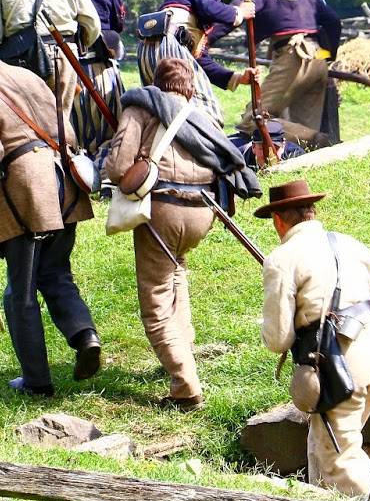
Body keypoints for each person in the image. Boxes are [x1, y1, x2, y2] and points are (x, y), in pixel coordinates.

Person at [0, 25, 101, 396]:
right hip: (64, 181)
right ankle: (86, 336)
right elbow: (67, 127)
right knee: (56, 273)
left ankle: (37, 382)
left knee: (20, 292)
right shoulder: (27, 76)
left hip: (29, 189)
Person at [104, 58, 261, 409]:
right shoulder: (203, 116)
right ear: (190, 88)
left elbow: (117, 167)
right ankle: (183, 347)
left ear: (156, 82)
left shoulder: (142, 107)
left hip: (163, 210)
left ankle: (185, 387)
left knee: (156, 301)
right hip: (203, 213)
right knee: (176, 273)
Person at [257, 180, 370, 496]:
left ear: (278, 220)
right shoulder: (350, 244)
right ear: (311, 212)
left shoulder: (282, 258)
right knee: (325, 445)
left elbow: (277, 339)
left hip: (340, 361)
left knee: (340, 462)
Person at [236, 0, 342, 148]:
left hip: (293, 55)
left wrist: (207, 38)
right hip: (318, 58)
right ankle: (317, 144)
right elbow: (334, 21)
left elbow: (234, 14)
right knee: (303, 133)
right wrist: (329, 56)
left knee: (254, 119)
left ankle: (323, 141)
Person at [50, 0, 128, 154]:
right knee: (109, 137)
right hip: (100, 70)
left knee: (68, 137)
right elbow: (118, 24)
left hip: (63, 70)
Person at [147, 0, 255, 126]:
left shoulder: (187, 19)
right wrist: (239, 12)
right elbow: (210, 7)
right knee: (207, 110)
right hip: (170, 44)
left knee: (160, 110)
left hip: (148, 53)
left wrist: (237, 78)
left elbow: (201, 61)